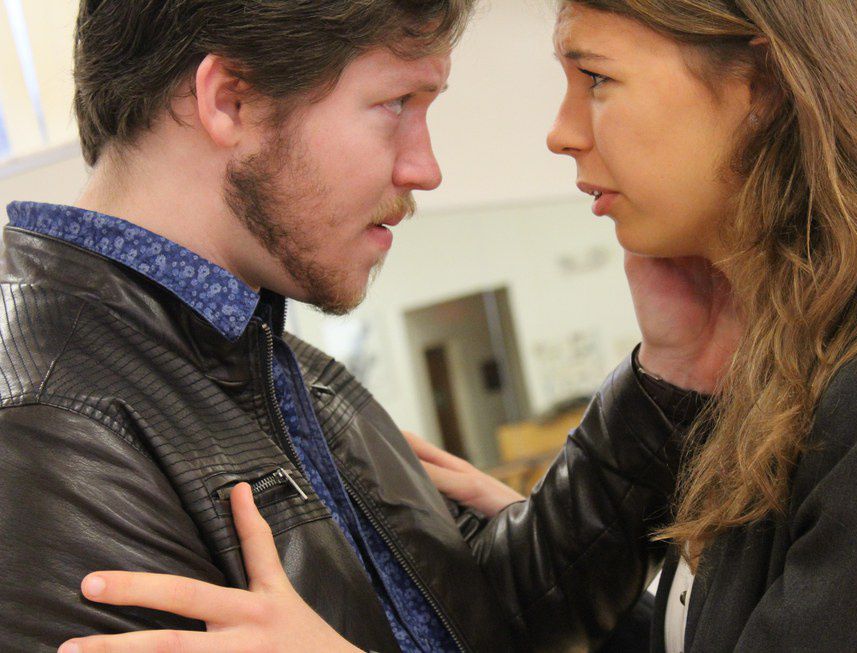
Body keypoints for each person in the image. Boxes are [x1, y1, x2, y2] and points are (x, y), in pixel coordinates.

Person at [58, 0, 857, 651]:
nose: (559, 131)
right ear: (226, 100)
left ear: (764, 85)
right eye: (396, 105)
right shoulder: (73, 417)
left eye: (597, 78)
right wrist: (549, 539)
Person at [0, 1, 682, 651]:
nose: (425, 169)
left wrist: (667, 378)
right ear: (230, 101)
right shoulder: (49, 431)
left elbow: (468, 626)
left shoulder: (277, 364)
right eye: (396, 103)